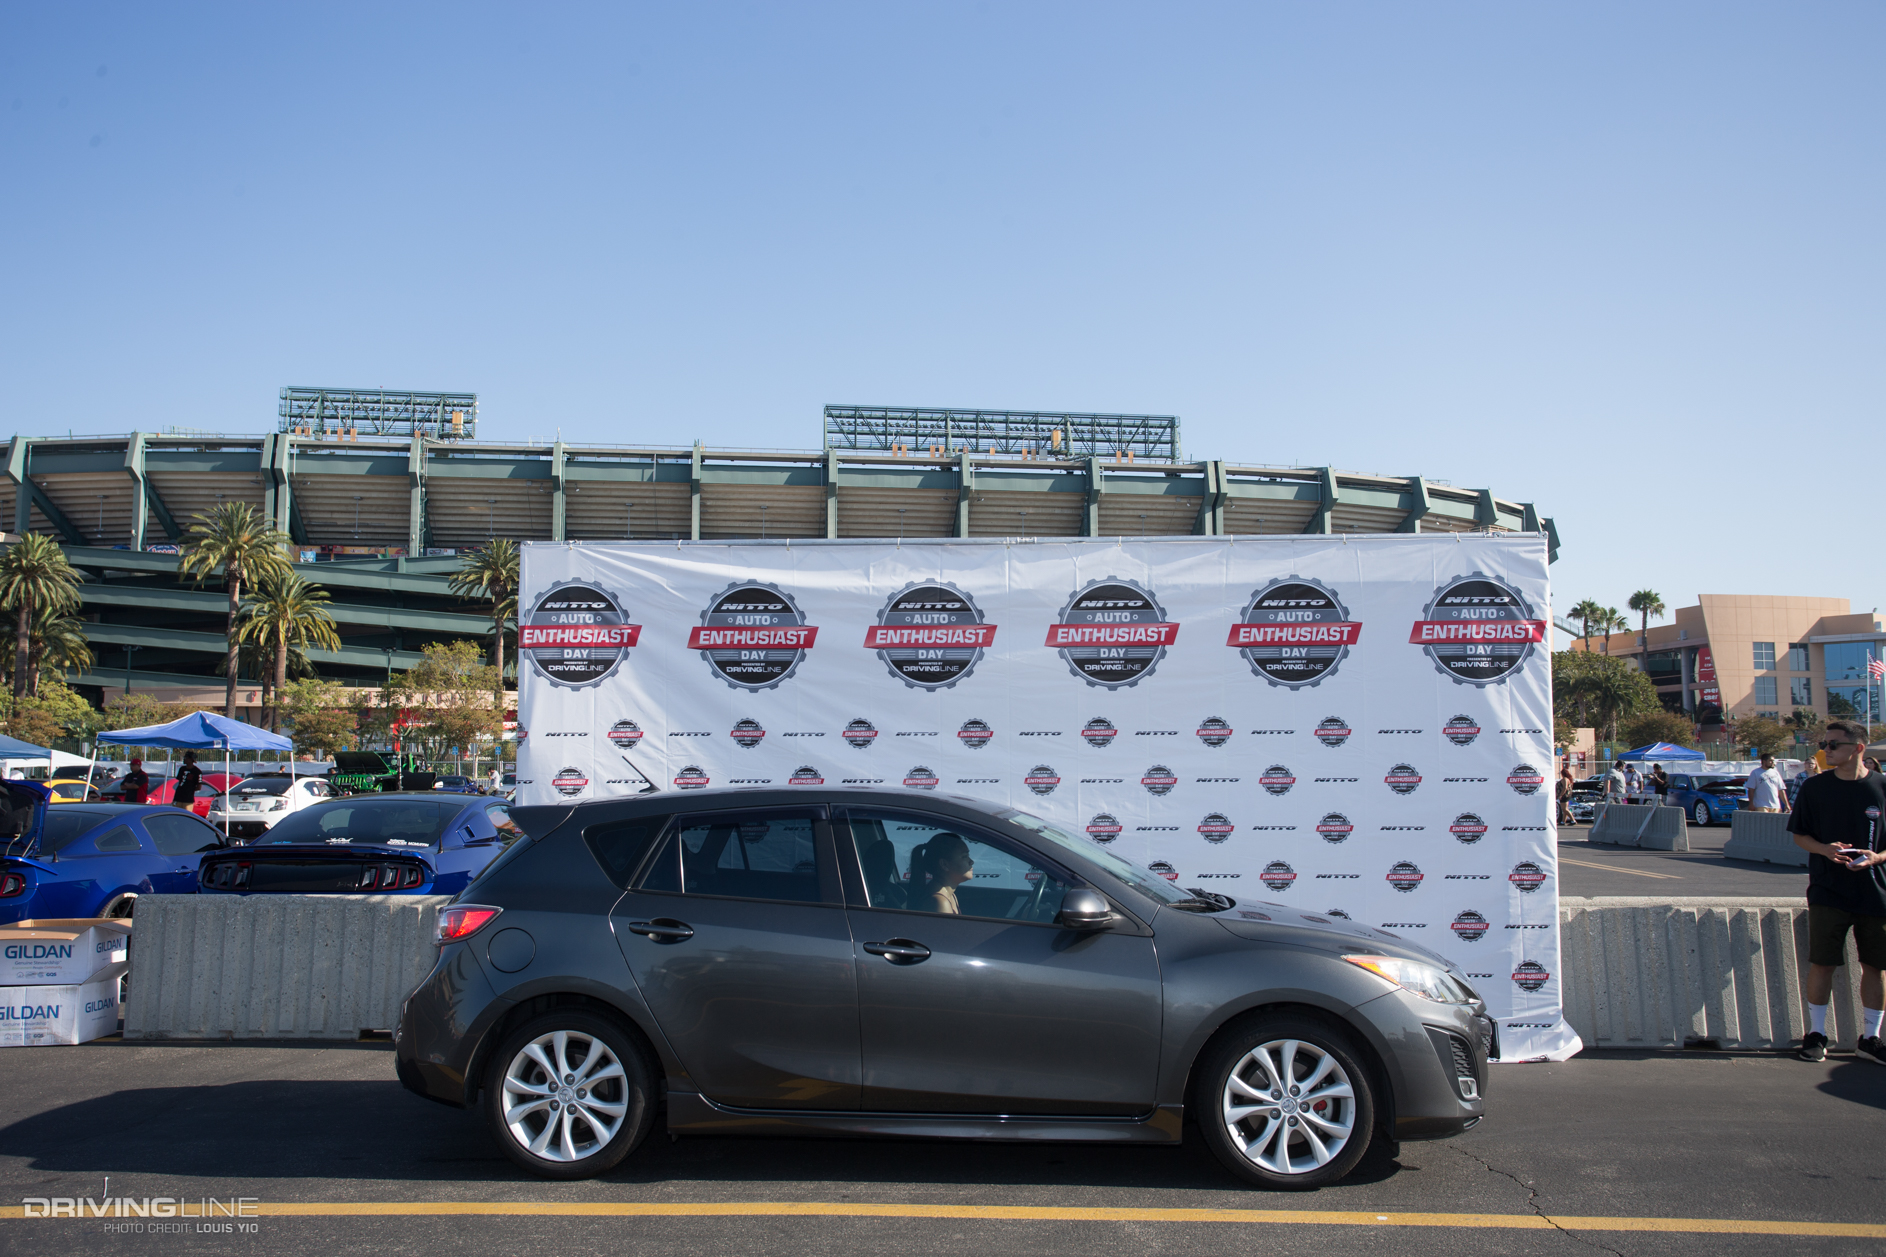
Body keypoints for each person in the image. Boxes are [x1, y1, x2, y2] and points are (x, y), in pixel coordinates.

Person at [1789, 720, 1886, 1064]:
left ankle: (1870, 1039)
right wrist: (1825, 850)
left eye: (1833, 745)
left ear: (1858, 748)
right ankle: (1816, 1034)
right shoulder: (1815, 787)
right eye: (1824, 744)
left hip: (1875, 891)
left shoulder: (1882, 787)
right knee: (1822, 963)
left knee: (1876, 966)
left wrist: (1877, 857)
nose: (1826, 750)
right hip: (1827, 890)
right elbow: (1799, 835)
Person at [908, 832, 974, 914]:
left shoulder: (950, 895)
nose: (971, 862)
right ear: (944, 864)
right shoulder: (940, 902)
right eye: (964, 856)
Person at [1556, 761, 1576, 826]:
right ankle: (1563, 821)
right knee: (1564, 809)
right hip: (1567, 795)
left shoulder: (1565, 779)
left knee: (1564, 809)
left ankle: (1573, 820)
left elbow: (1565, 787)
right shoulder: (1568, 779)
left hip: (1564, 795)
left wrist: (1561, 795)